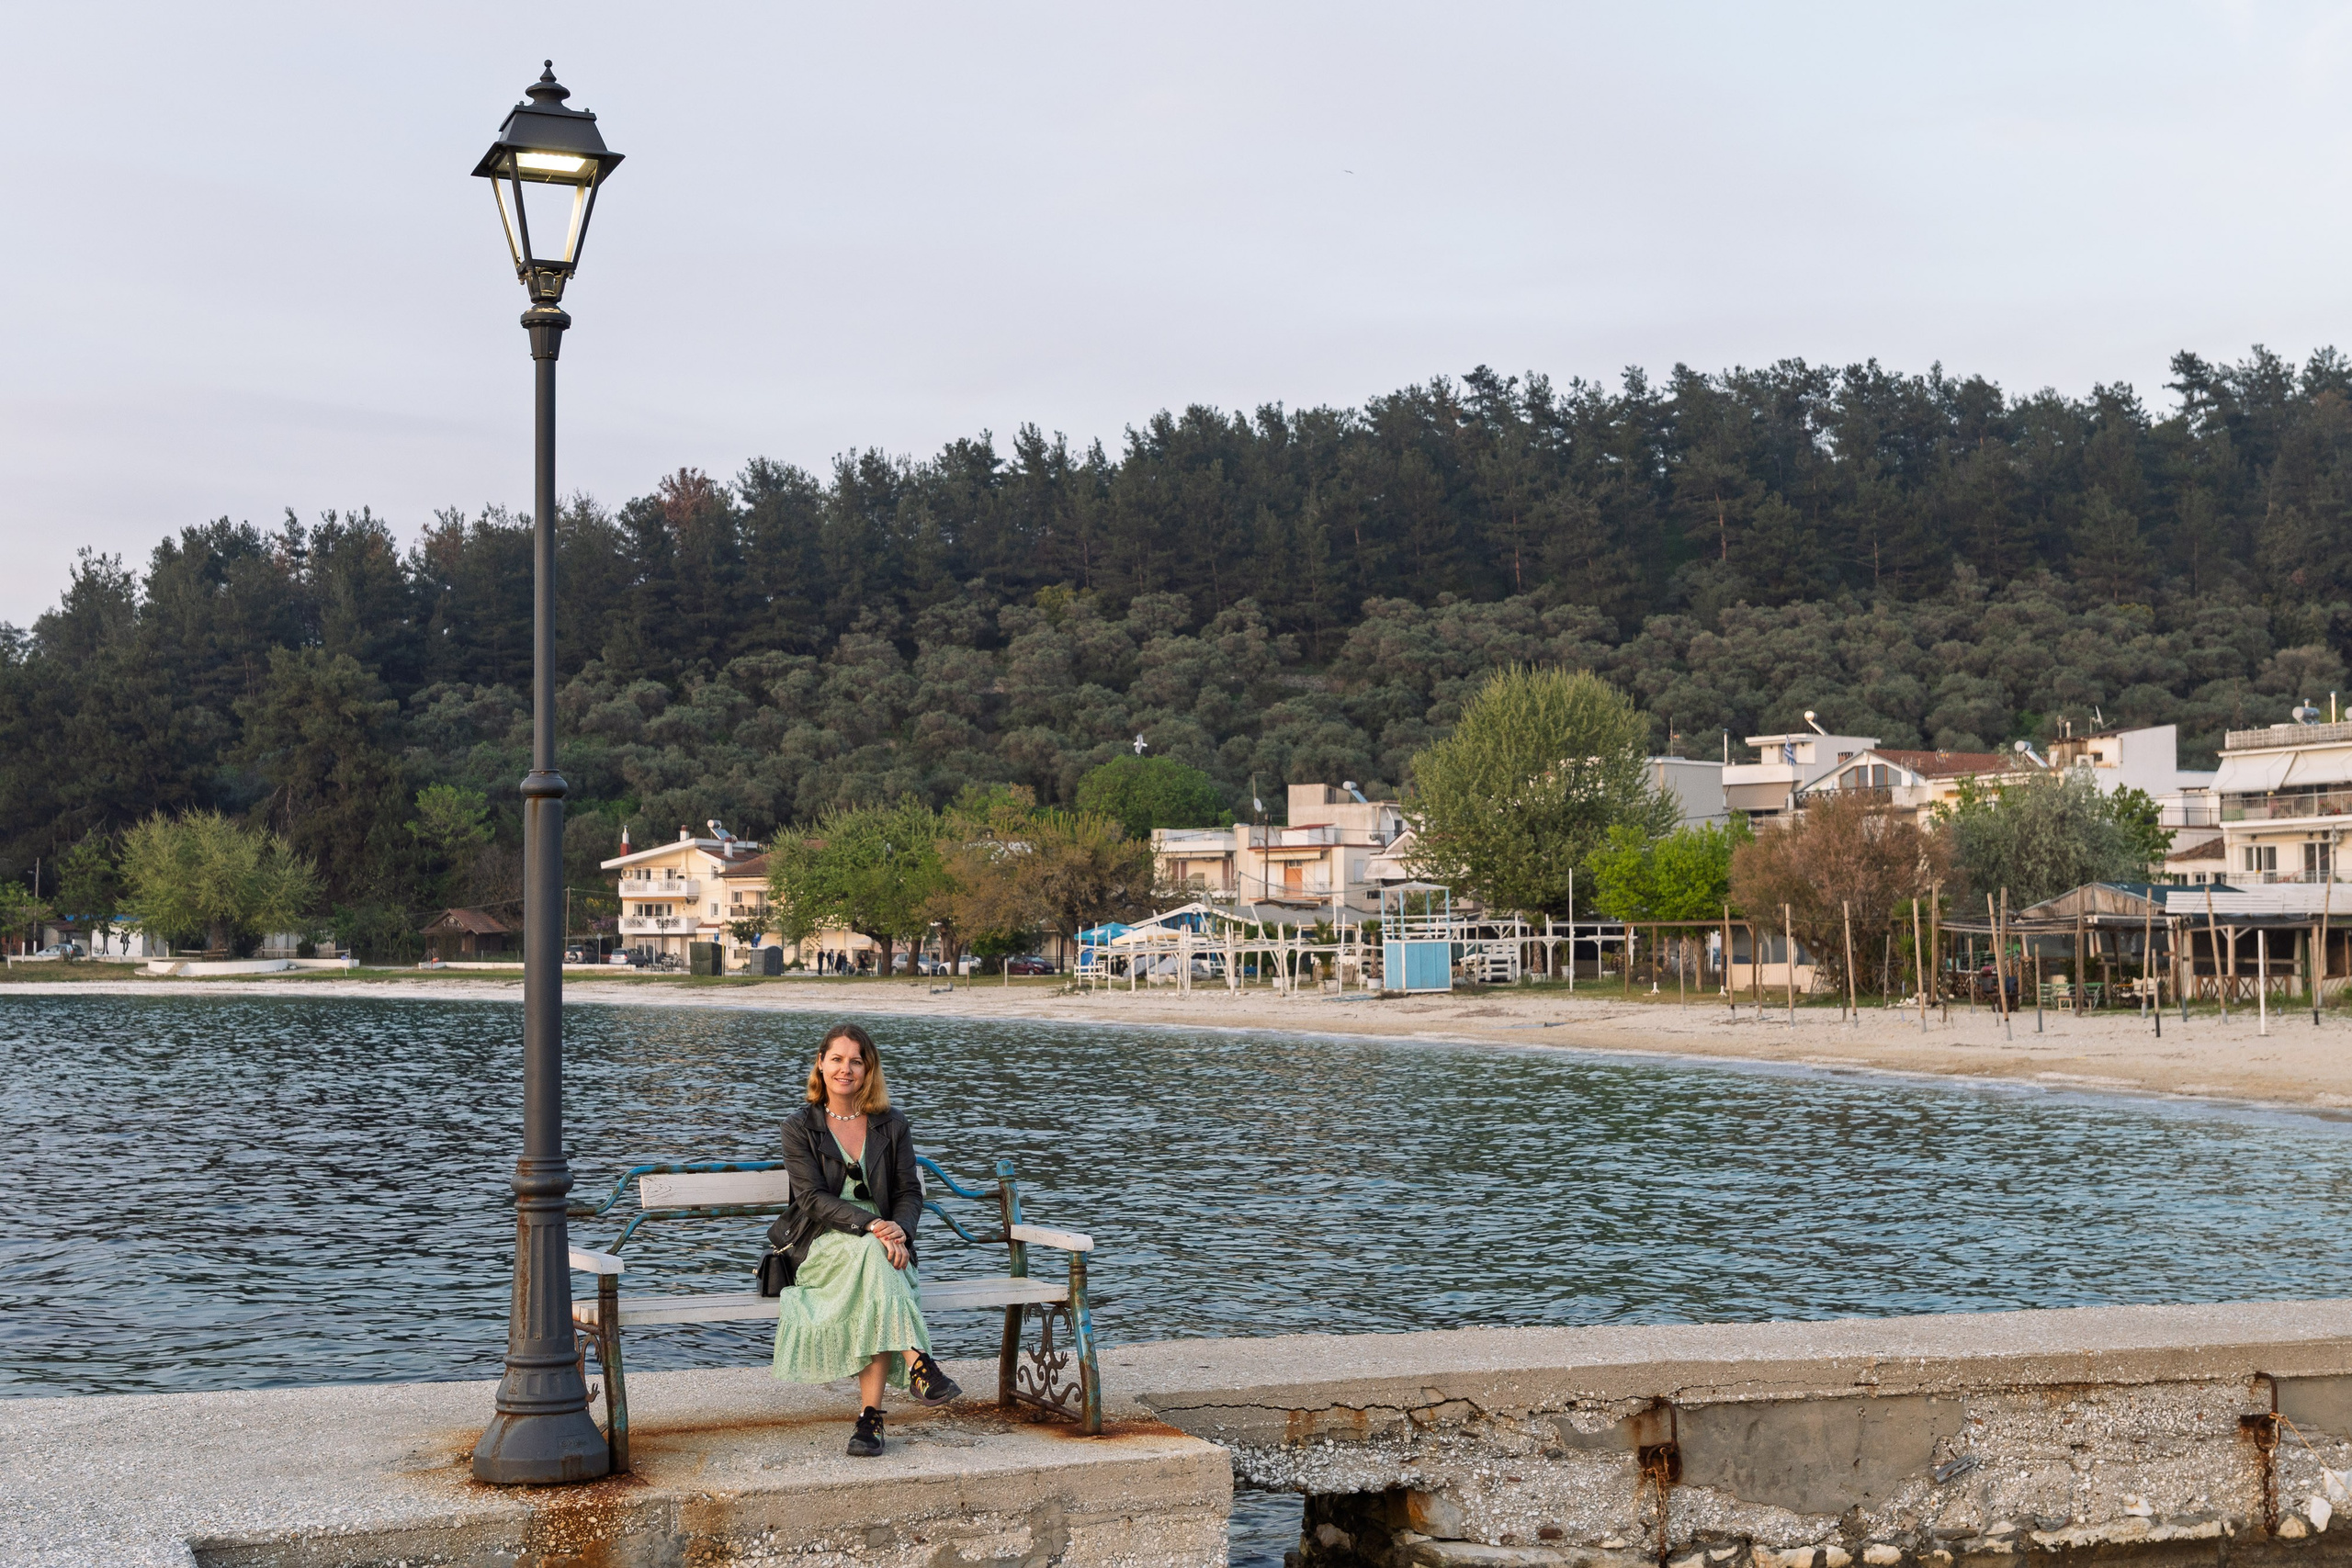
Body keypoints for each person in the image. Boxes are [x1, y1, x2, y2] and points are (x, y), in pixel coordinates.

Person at [770, 1021, 962, 1456]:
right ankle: (919, 1365)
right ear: (820, 1064)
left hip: (886, 1241)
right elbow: (812, 1199)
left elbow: (909, 1192)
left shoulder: (891, 1123)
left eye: (856, 1061)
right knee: (876, 1261)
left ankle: (869, 1421)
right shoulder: (800, 1126)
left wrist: (901, 1230)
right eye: (836, 1059)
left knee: (877, 1271)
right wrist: (874, 1226)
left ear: (868, 1069)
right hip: (823, 1238)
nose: (845, 1069)